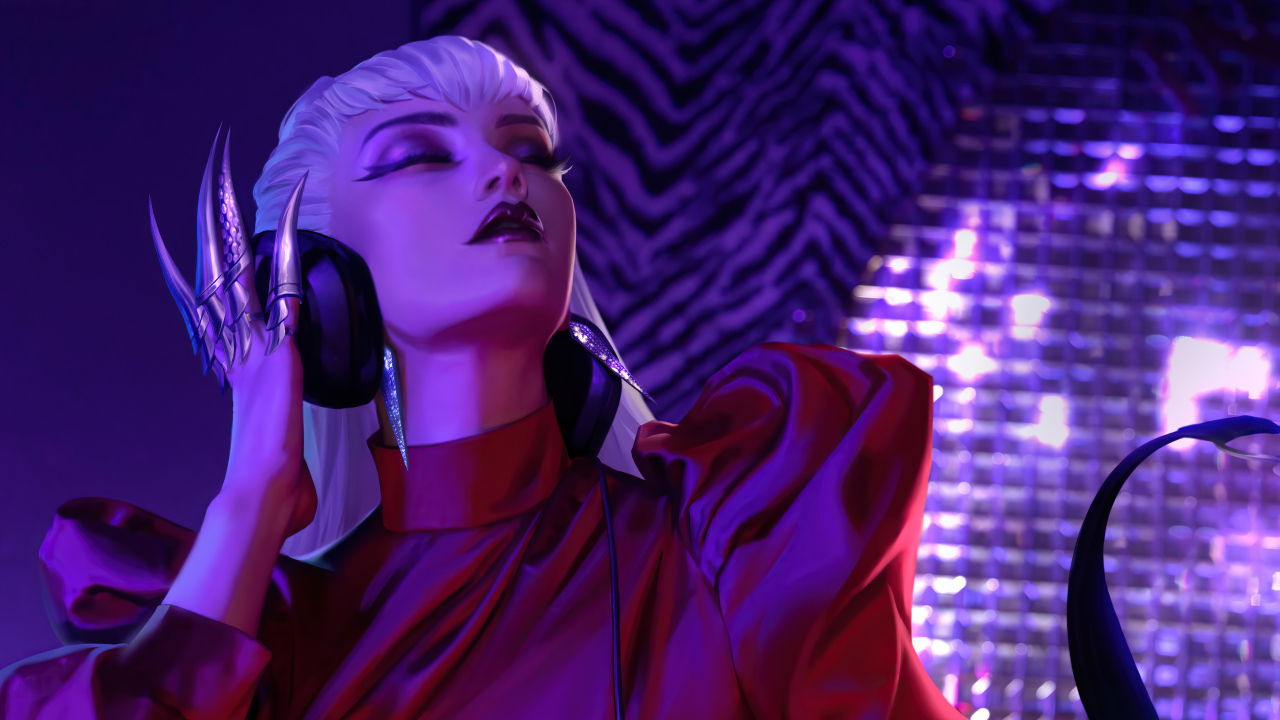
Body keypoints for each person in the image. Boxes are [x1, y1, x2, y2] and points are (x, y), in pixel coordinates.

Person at [0, 36, 961, 719]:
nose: (506, 174)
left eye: (530, 151)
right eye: (420, 155)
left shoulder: (733, 541)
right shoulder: (274, 641)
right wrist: (251, 500)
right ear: (320, 279)